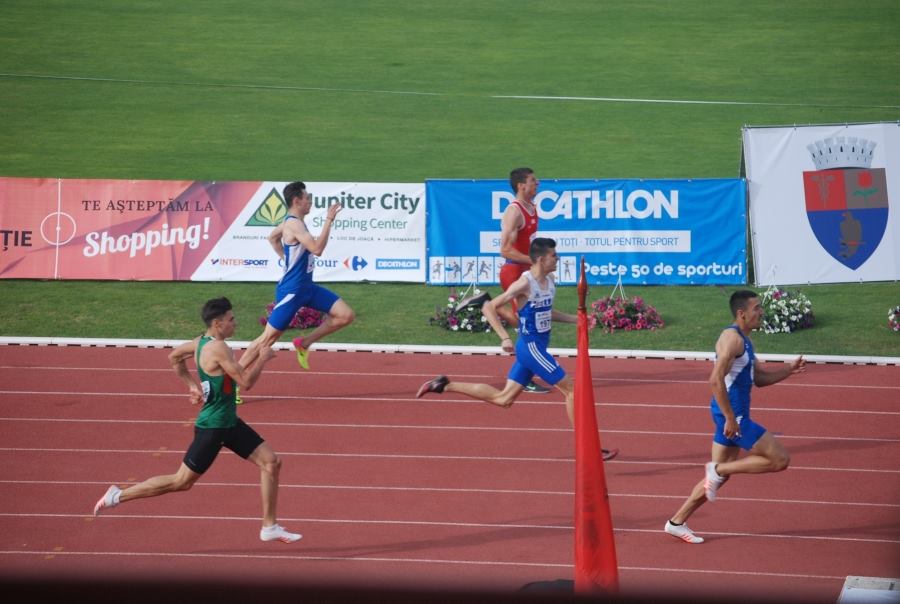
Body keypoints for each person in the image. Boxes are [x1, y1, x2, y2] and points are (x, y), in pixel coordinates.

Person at [92, 297, 302, 543]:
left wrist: (192, 387)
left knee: (272, 463)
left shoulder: (199, 343)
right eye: (231, 320)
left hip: (229, 423)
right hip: (213, 427)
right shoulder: (219, 349)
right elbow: (245, 383)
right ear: (217, 323)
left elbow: (174, 357)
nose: (235, 323)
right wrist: (263, 360)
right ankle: (118, 495)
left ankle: (269, 526)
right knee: (181, 482)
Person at [417, 237, 618, 461]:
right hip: (530, 347)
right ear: (541, 259)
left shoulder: (550, 280)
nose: (558, 259)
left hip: (536, 347)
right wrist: (504, 337)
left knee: (504, 399)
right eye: (554, 255)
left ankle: (444, 385)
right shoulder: (524, 283)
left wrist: (576, 320)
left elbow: (546, 311)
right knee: (571, 389)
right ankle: (588, 449)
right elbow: (490, 307)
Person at [664, 290, 806, 544]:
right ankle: (718, 469)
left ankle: (676, 521)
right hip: (734, 416)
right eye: (757, 308)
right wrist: (730, 418)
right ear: (741, 313)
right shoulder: (732, 340)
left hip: (730, 414)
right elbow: (715, 380)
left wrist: (789, 370)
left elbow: (759, 380)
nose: (761, 312)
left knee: (715, 480)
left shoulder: (745, 341)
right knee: (780, 459)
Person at [241, 181, 355, 375]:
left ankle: (304, 343)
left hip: (307, 288)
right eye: (307, 198)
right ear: (297, 201)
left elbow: (272, 238)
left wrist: (287, 262)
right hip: (291, 291)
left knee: (345, 315)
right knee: (267, 339)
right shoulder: (293, 224)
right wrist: (329, 220)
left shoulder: (290, 222)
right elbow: (317, 249)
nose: (310, 202)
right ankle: (230, 381)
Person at [498, 167, 549, 394]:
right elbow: (505, 250)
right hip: (514, 272)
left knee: (532, 322)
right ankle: (524, 377)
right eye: (533, 180)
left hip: (527, 272)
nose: (537, 183)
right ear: (521, 185)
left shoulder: (532, 208)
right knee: (527, 325)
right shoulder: (514, 212)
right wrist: (534, 262)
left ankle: (524, 374)